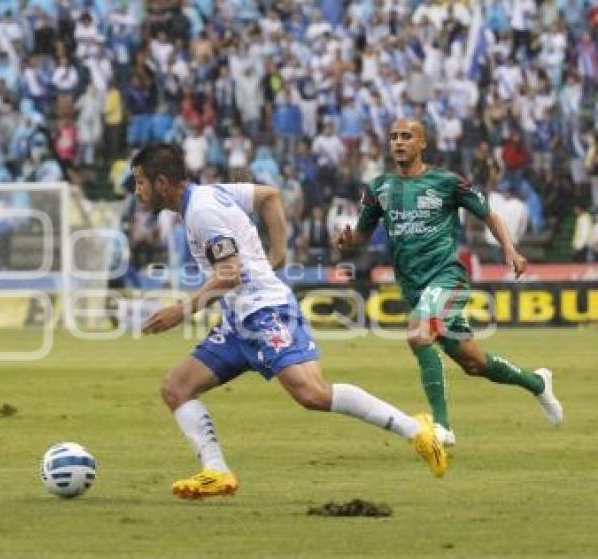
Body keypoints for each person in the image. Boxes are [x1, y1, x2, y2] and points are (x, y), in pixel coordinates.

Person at [133, 144, 446, 500]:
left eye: (140, 182)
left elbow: (230, 273)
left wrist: (182, 309)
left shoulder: (202, 212)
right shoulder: (211, 194)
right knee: (176, 388)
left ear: (161, 183)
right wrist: (279, 251)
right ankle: (216, 471)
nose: (136, 191)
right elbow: (270, 196)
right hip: (239, 320)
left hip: (265, 311)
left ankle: (415, 430)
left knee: (313, 394)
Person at [336, 119, 563, 447]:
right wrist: (348, 239)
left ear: (422, 143)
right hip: (415, 287)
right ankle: (537, 382)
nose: (398, 142)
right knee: (474, 363)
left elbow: (489, 215)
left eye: (406, 136)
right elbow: (362, 233)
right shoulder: (378, 188)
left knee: (417, 335)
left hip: (446, 277)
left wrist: (511, 250)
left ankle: (442, 426)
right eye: (394, 137)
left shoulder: (446, 182)